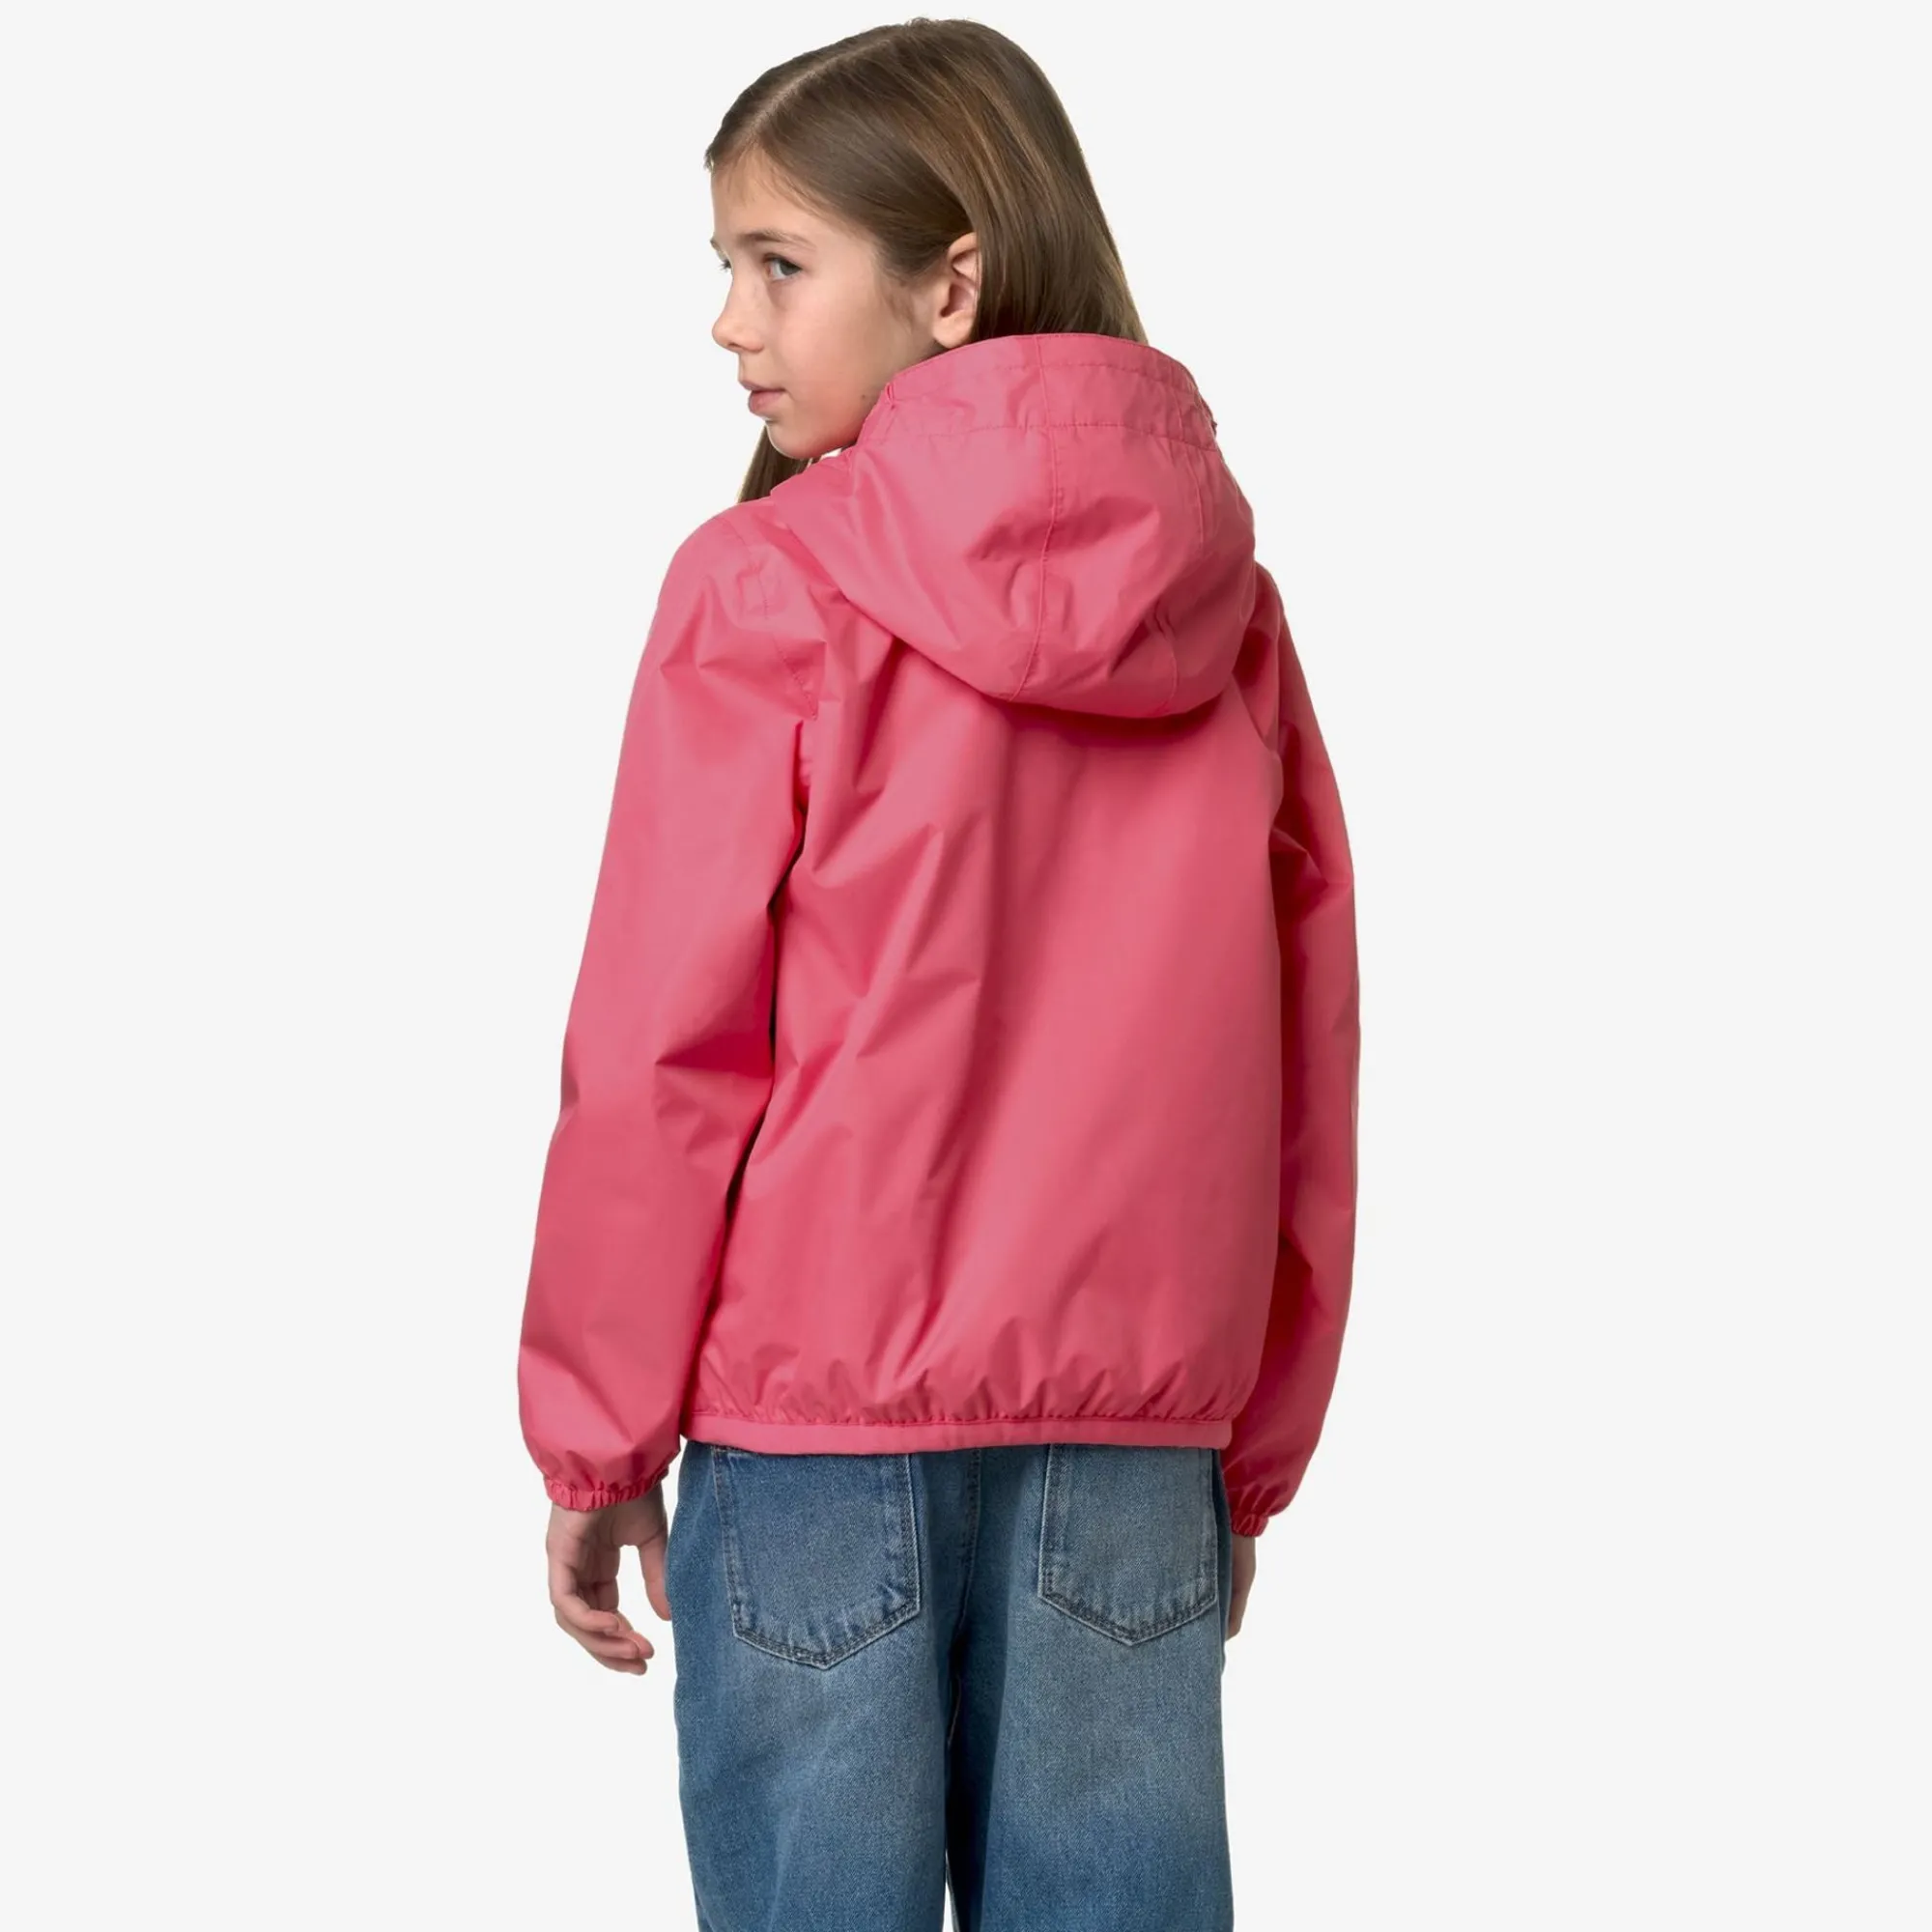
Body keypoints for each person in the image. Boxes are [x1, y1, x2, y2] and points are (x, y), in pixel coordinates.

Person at [515, 18, 1359, 1930]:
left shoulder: (763, 583)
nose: (729, 323)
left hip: (812, 1438)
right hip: (1132, 1444)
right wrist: (1247, 1450)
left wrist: (597, 1430)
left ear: (950, 281)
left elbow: (660, 1051)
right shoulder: (1226, 605)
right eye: (726, 265)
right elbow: (1307, 1045)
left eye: (777, 264)